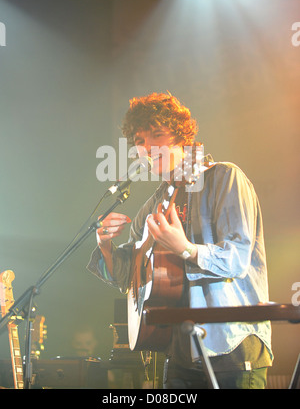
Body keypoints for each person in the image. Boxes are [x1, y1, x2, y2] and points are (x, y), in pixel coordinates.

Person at [87, 92, 273, 389]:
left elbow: (238, 259)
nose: (148, 148)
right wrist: (105, 246)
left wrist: (185, 249)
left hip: (231, 347)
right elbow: (126, 275)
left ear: (182, 137)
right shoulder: (154, 203)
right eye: (139, 141)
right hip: (180, 352)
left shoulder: (224, 178)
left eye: (157, 135)